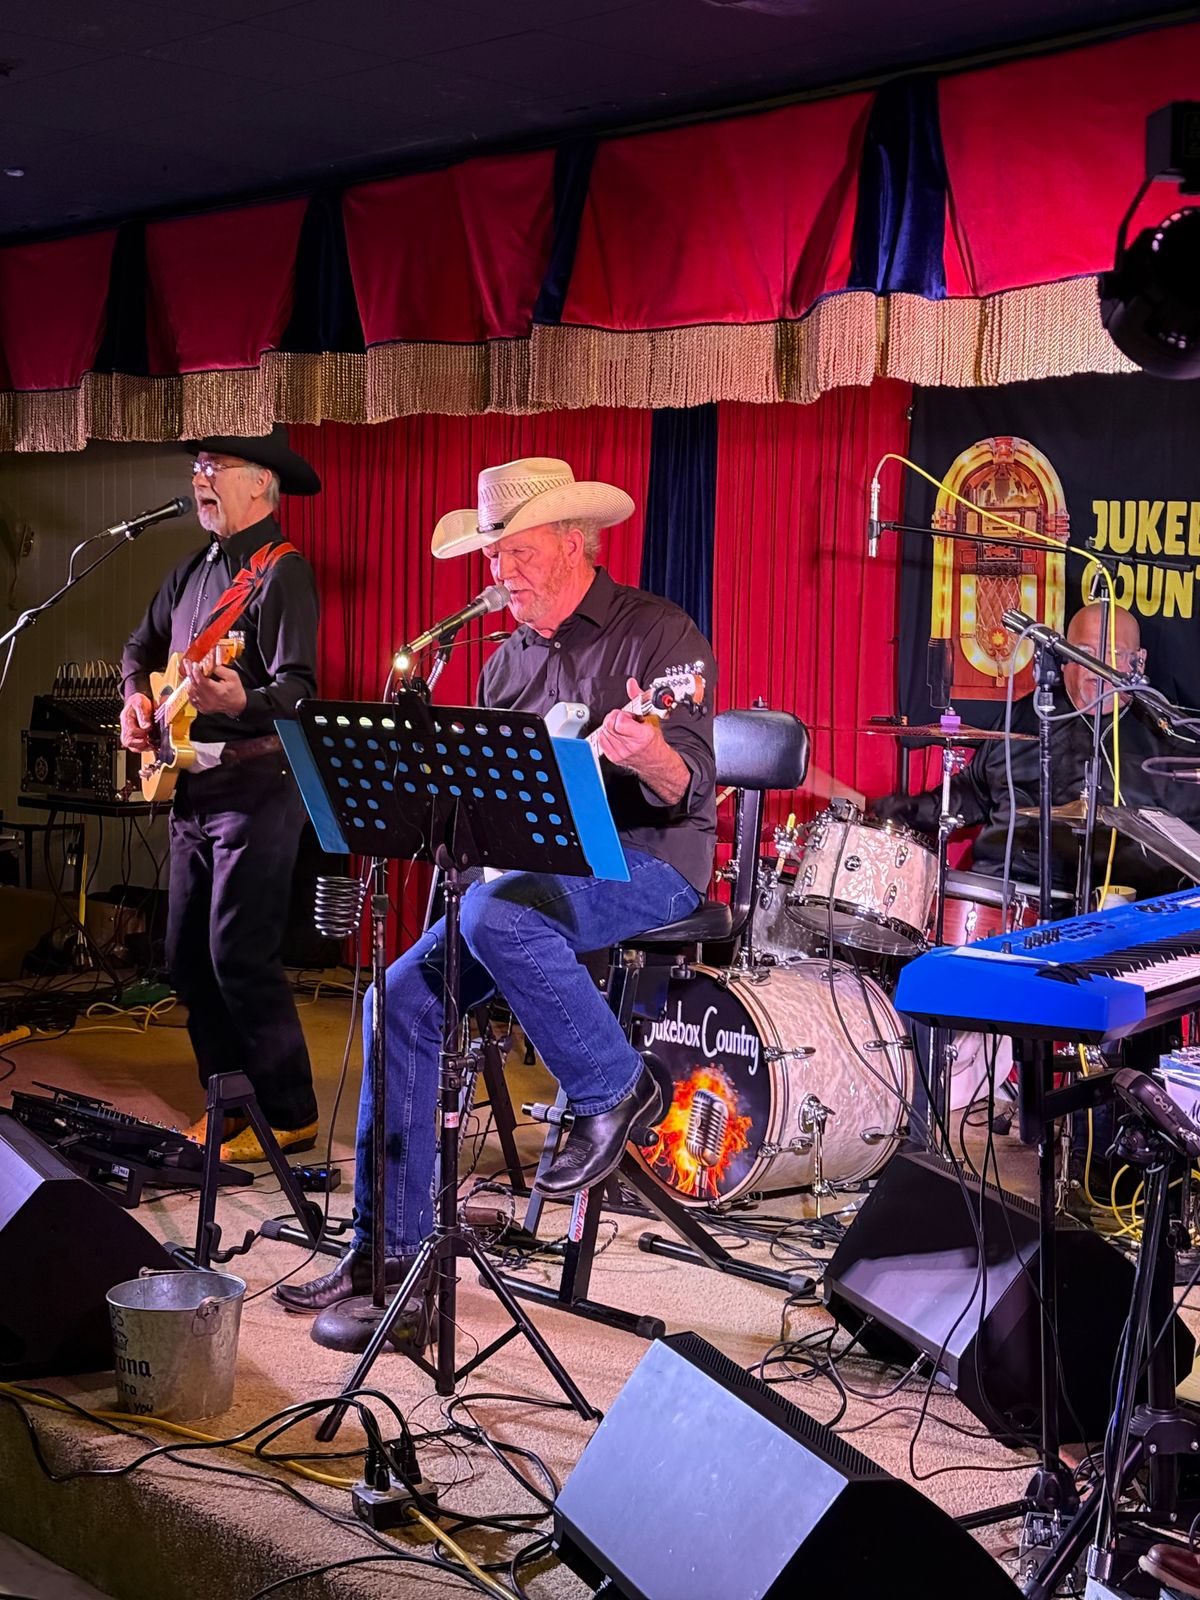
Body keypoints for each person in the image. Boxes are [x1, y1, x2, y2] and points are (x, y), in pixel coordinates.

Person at [277, 456, 717, 1325]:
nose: (500, 571)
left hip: (650, 864)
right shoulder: (504, 664)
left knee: (494, 914)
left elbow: (687, 782)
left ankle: (612, 1088)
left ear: (573, 542)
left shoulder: (657, 632)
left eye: (518, 552)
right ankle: (389, 1257)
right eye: (492, 556)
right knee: (396, 999)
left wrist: (648, 754)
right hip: (531, 881)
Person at [120, 426, 322, 1163]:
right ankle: (229, 1103)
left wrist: (244, 699)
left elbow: (299, 691)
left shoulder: (283, 573)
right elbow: (139, 648)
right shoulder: (191, 569)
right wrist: (134, 700)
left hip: (257, 786)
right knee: (183, 954)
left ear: (261, 482)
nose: (199, 477)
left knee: (238, 953)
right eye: (198, 466)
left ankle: (290, 1112)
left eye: (215, 466)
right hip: (192, 784)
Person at [874, 602, 1200, 898]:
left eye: (1114, 653)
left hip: (1103, 912)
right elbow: (973, 791)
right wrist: (902, 810)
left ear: (1138, 661)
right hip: (996, 895)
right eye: (1085, 652)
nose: (1098, 667)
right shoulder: (1027, 715)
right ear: (1064, 659)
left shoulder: (1171, 740)